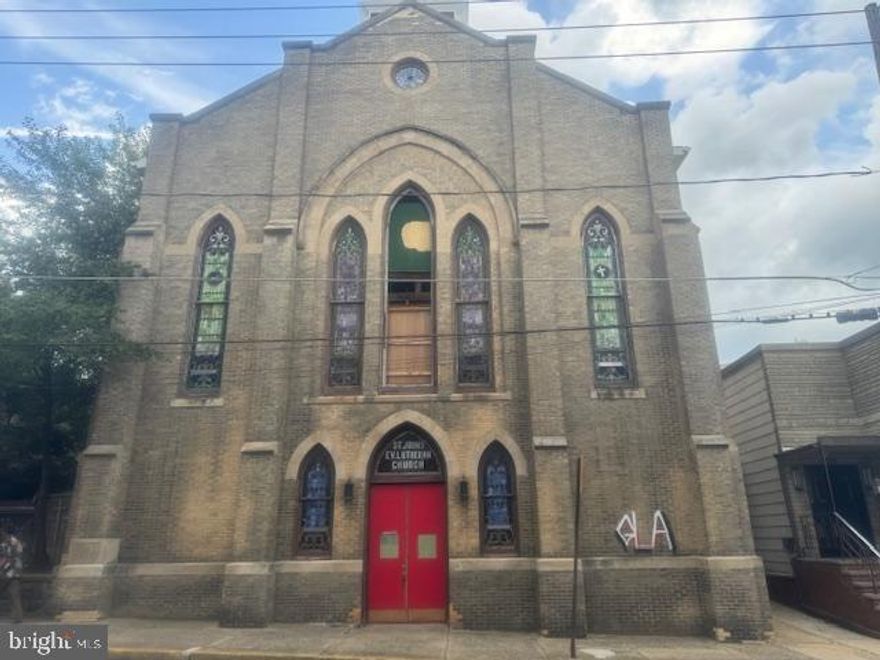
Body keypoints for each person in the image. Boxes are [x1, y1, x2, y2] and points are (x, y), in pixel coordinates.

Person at [0, 528, 24, 623]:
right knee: (14, 595)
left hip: (8, 573)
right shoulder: (15, 542)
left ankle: (17, 617)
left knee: (14, 595)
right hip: (14, 573)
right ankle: (17, 617)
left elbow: (6, 558)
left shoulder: (7, 544)